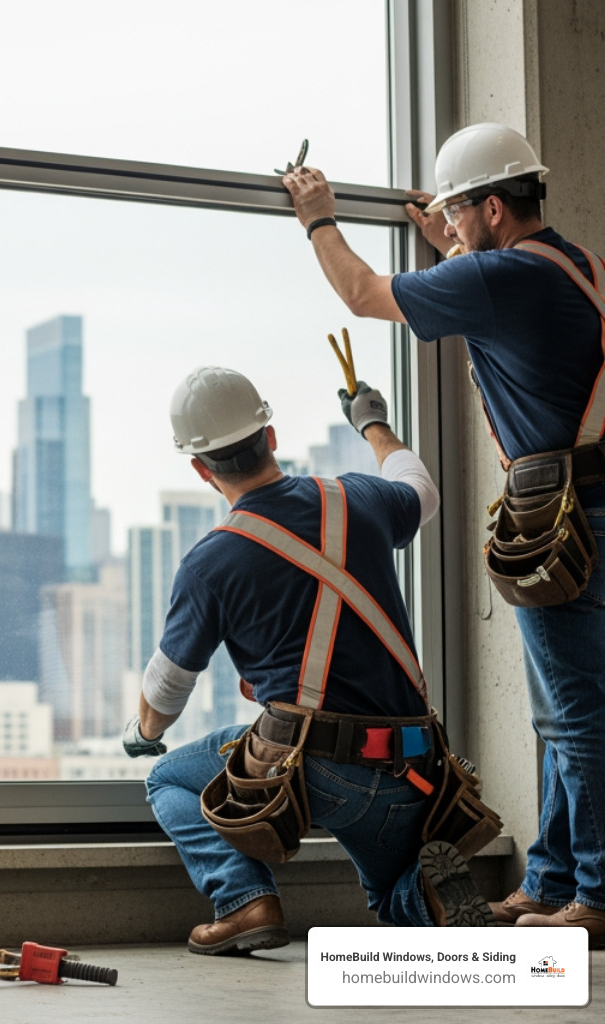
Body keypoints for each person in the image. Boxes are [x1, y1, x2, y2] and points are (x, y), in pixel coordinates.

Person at [282, 122, 605, 946]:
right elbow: (497, 301)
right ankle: (552, 881)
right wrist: (451, 245)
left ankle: (595, 892)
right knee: (562, 711)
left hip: (563, 514)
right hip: (585, 503)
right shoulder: (571, 263)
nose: (451, 226)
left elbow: (361, 294)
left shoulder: (500, 276)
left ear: (494, 208)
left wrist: (318, 215)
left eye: (460, 213)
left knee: (577, 715)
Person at [129, 366, 492, 956]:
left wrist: (142, 732)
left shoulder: (212, 560)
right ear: (270, 437)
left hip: (311, 773)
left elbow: (165, 694)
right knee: (389, 901)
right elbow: (422, 490)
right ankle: (428, 900)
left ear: (200, 467)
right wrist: (372, 422)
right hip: (416, 766)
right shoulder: (359, 496)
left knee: (168, 777)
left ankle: (245, 903)